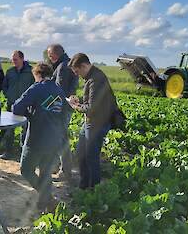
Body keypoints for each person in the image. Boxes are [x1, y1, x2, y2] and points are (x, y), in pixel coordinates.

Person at [12, 62, 68, 211]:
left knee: (26, 170)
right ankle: (45, 204)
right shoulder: (59, 91)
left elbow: (17, 108)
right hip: (55, 139)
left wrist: (29, 114)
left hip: (37, 138)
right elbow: (63, 115)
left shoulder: (37, 88)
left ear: (37, 74)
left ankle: (47, 198)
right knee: (45, 172)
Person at [67, 53, 117, 189]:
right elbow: (92, 100)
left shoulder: (96, 79)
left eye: (77, 71)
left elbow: (92, 108)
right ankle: (84, 185)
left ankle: (94, 189)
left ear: (83, 66)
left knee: (91, 157)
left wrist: (76, 106)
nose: (77, 75)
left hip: (97, 123)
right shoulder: (92, 77)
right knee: (81, 154)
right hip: (90, 122)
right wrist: (79, 100)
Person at [47, 44, 79, 181]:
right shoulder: (68, 64)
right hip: (66, 107)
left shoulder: (62, 67)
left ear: (55, 54)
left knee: (61, 139)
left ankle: (65, 171)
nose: (49, 57)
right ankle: (56, 166)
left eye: (50, 54)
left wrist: (49, 106)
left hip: (61, 108)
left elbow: (59, 90)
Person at [0, 50, 34, 159]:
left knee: (25, 130)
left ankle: (22, 153)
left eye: (15, 59)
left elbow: (35, 86)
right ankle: (8, 152)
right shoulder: (10, 72)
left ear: (22, 59)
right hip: (12, 104)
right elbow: (4, 86)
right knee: (9, 129)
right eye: (12, 59)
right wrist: (8, 95)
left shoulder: (31, 72)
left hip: (26, 105)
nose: (13, 61)